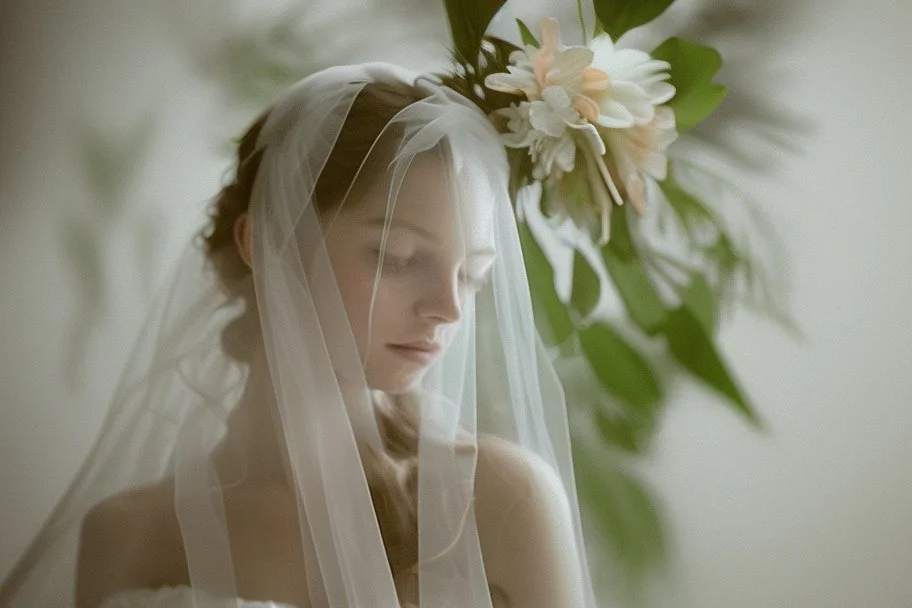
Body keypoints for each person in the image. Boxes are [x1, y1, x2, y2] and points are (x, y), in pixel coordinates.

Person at [0, 63, 597, 607]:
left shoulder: (503, 502)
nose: (448, 308)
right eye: (399, 255)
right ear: (262, 241)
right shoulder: (130, 535)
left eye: (472, 275)